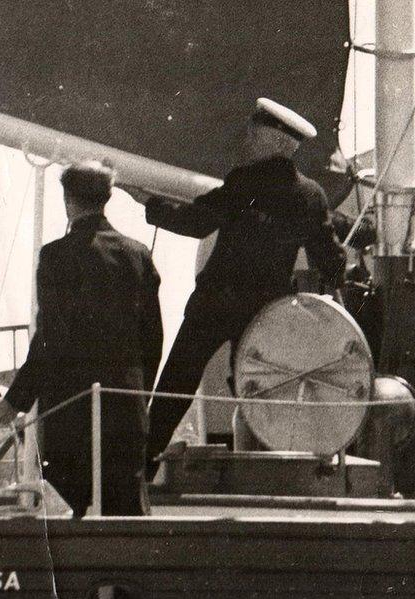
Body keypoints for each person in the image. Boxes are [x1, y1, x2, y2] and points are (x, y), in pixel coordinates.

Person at [123, 98, 346, 482]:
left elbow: (195, 221)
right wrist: (341, 271)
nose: (249, 138)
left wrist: (149, 204)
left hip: (215, 300)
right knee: (254, 387)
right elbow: (329, 259)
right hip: (262, 310)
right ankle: (280, 467)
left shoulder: (244, 181)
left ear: (279, 141)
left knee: (179, 378)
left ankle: (140, 466)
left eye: (256, 132)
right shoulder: (310, 196)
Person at [0, 160, 163, 517]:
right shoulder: (137, 254)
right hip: (125, 404)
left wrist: (14, 402)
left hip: (72, 409)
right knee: (127, 513)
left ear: (68, 199)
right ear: (107, 198)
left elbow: (49, 339)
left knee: (69, 515)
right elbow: (153, 338)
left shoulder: (56, 257)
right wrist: (139, 390)